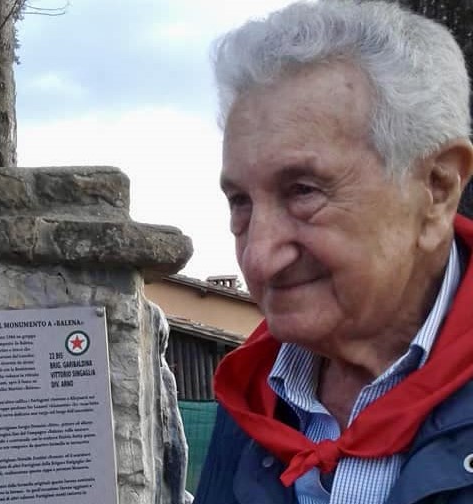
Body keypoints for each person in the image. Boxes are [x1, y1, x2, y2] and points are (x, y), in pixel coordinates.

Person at [194, 1, 473, 503]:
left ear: (437, 189)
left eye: (303, 191)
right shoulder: (251, 394)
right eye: (240, 202)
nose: (257, 258)